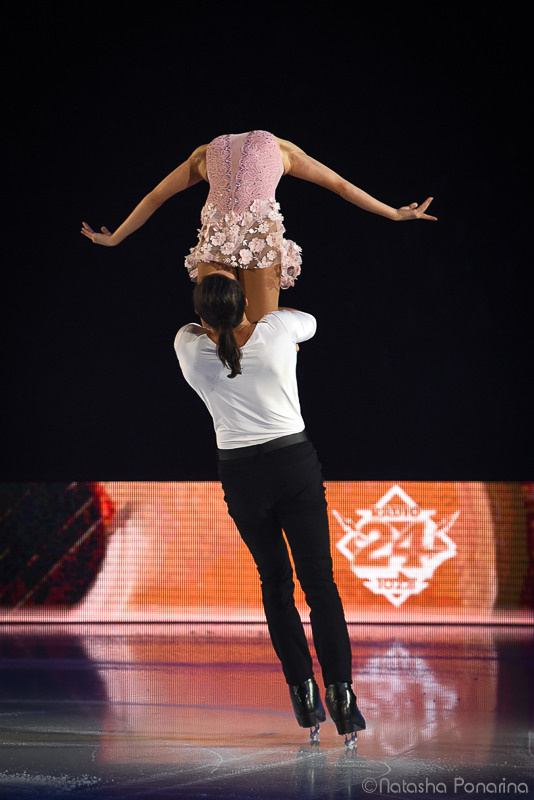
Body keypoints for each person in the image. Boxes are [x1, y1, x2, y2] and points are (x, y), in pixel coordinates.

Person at [174, 270, 366, 745]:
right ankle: (341, 697)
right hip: (293, 464)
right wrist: (268, 320)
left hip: (242, 477)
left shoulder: (187, 346)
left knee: (274, 581)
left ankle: (303, 696)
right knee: (318, 582)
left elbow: (200, 329)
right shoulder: (277, 330)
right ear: (245, 306)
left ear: (201, 317)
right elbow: (312, 323)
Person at [82, 130, 437, 321]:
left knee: (225, 329)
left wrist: (116, 240)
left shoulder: (206, 154)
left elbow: (154, 197)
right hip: (250, 237)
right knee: (252, 330)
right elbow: (341, 187)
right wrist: (392, 213)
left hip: (222, 237)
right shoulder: (279, 152)